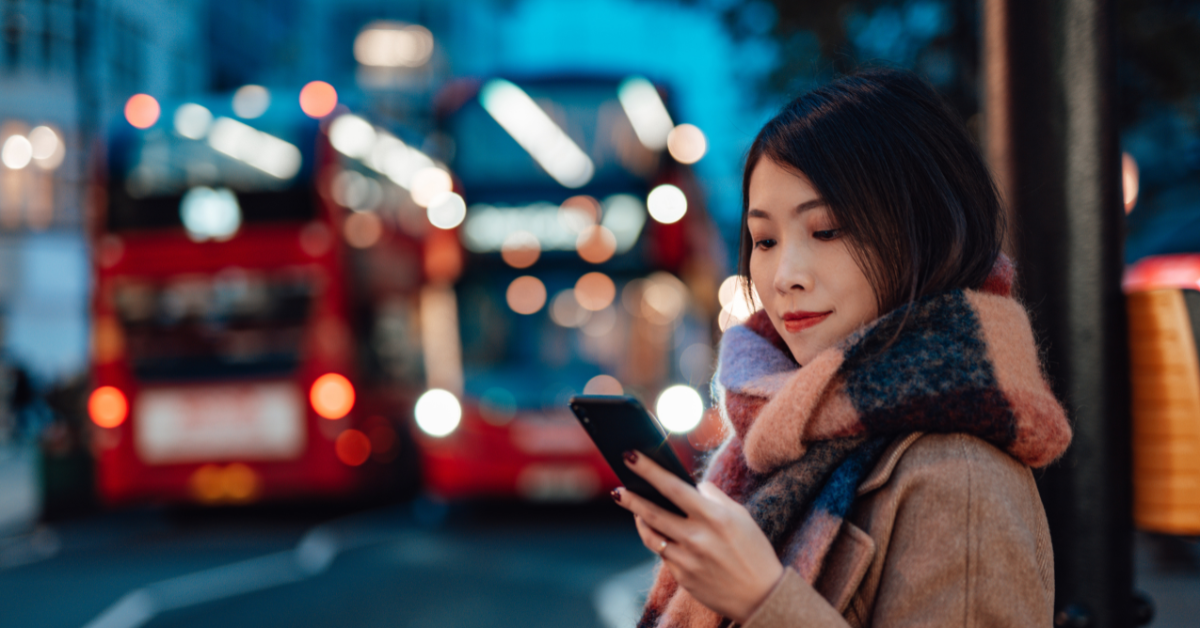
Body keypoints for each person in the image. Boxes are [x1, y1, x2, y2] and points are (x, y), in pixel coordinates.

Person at [612, 68, 1073, 628]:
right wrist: (710, 563)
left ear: (920, 231)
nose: (784, 275)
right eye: (764, 240)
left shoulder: (959, 476)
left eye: (826, 230)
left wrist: (762, 599)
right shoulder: (780, 440)